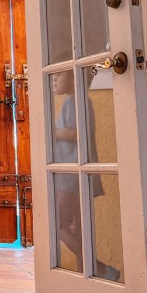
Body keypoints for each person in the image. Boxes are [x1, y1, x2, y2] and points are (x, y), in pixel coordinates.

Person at [52, 65, 120, 282]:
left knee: (57, 222)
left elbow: (75, 133)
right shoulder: (74, 101)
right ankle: (89, 273)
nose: (54, 79)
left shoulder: (75, 101)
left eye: (59, 75)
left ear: (73, 80)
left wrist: (51, 132)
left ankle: (96, 267)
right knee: (76, 226)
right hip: (72, 171)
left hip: (71, 173)